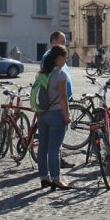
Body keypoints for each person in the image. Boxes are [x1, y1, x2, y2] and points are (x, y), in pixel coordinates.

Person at [36, 45, 72, 191]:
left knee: (42, 148)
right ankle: (56, 179)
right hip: (56, 114)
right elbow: (63, 97)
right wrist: (67, 116)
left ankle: (44, 177)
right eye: (65, 57)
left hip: (42, 114)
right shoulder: (60, 74)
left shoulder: (43, 72)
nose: (66, 59)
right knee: (54, 149)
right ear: (59, 58)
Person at [41, 30, 74, 169]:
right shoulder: (50, 57)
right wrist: (66, 114)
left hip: (57, 102)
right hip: (55, 104)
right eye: (62, 42)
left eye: (65, 43)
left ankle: (48, 170)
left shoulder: (59, 56)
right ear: (53, 41)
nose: (64, 45)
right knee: (54, 141)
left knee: (52, 141)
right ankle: (55, 170)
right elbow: (54, 85)